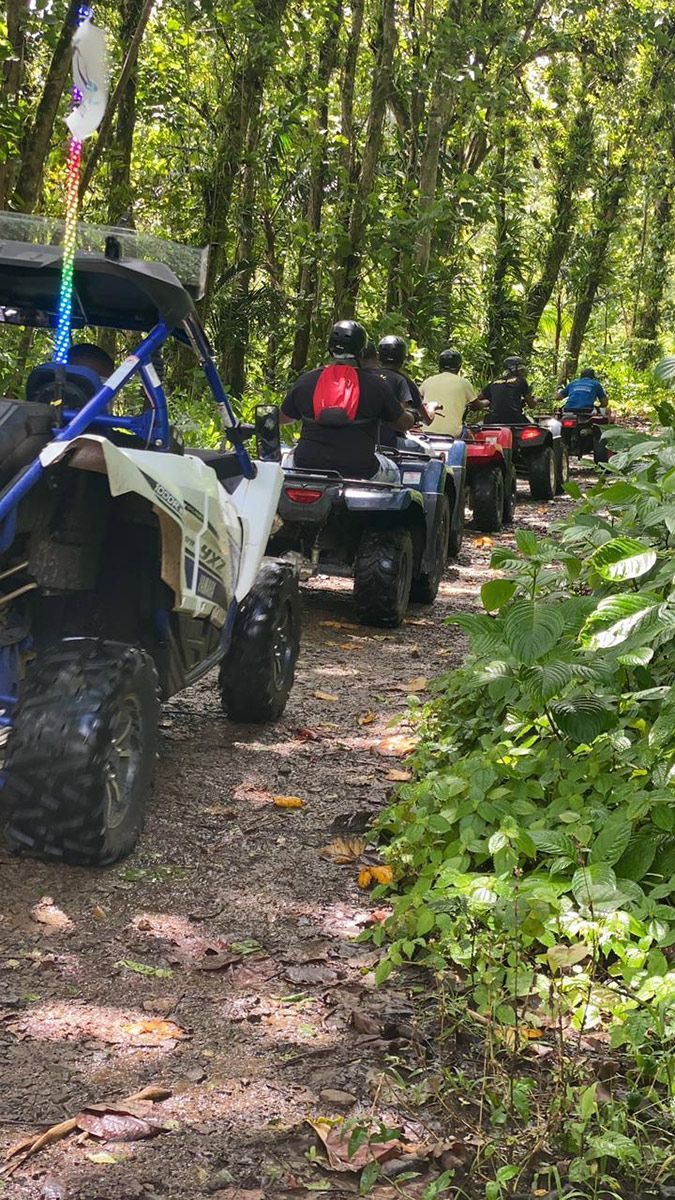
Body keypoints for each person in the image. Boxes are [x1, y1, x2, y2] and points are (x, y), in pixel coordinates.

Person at [280, 320, 414, 481]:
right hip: (360, 469)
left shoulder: (306, 380)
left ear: (330, 347)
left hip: (305, 463)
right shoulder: (377, 385)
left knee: (283, 467)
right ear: (361, 350)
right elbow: (402, 424)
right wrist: (411, 415)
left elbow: (283, 418)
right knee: (394, 472)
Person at [420, 348, 477, 437]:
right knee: (471, 436)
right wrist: (487, 402)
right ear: (458, 366)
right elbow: (477, 405)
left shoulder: (428, 381)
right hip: (452, 434)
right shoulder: (464, 383)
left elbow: (417, 399)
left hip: (425, 431)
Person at [477, 355, 533, 424]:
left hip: (492, 421)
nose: (522, 372)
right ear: (514, 370)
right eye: (520, 370)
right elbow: (531, 405)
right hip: (516, 420)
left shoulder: (493, 383)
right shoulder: (521, 381)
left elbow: (477, 398)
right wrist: (536, 400)